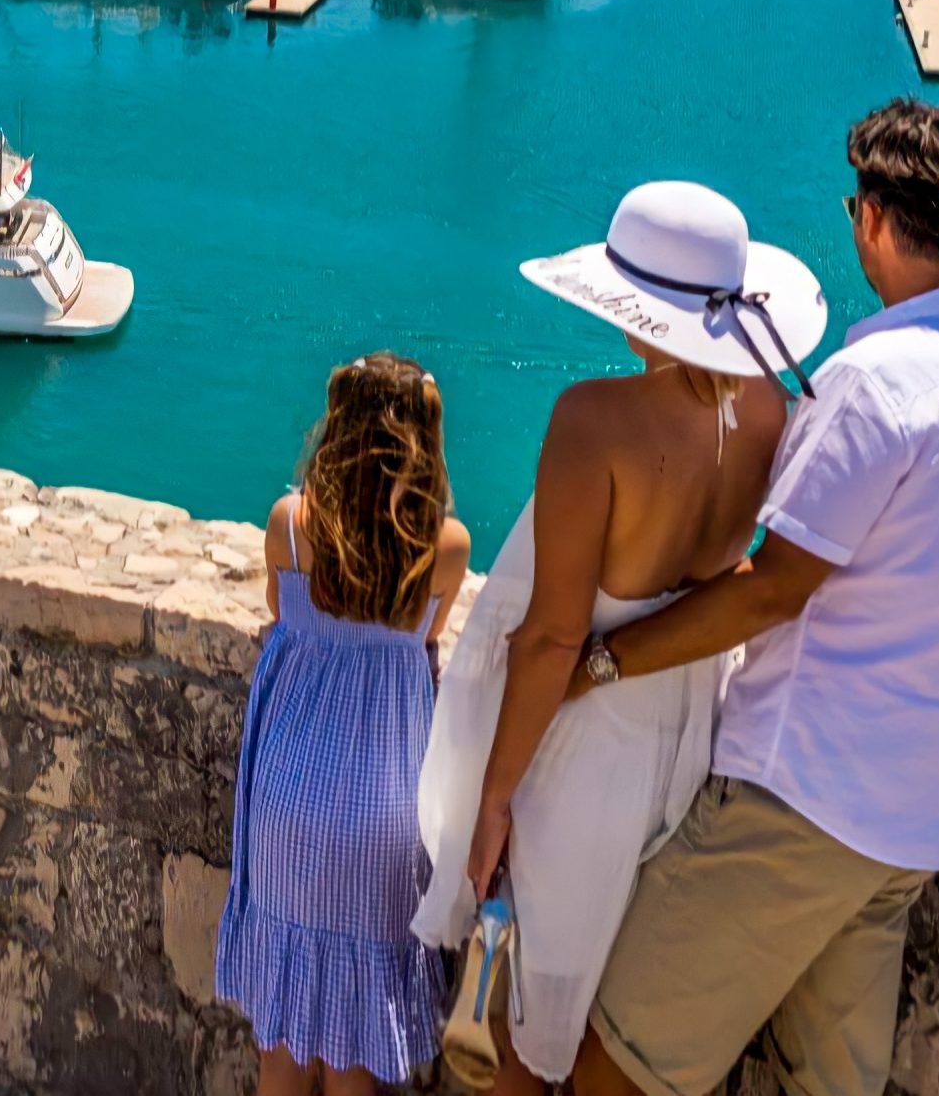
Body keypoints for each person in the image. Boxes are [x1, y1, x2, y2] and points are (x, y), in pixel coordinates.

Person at [570, 101, 939, 1096]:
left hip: (806, 801)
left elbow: (772, 588)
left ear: (874, 219)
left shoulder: (875, 377)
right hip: (923, 820)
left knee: (613, 1068)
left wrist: (603, 659)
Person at [415, 180, 826, 1091]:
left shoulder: (594, 421)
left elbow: (555, 638)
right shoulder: (771, 413)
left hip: (574, 750)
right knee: (601, 999)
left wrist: (492, 801)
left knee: (514, 1018)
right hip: (681, 739)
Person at [215, 354, 474, 1094]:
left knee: (284, 1044)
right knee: (357, 1049)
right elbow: (427, 636)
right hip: (383, 812)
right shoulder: (443, 547)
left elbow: (278, 608)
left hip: (291, 798)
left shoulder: (291, 525)